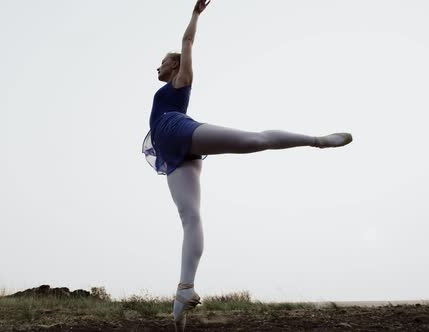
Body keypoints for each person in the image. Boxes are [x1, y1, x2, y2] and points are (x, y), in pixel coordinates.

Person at [142, 0, 353, 330]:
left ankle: (317, 140)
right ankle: (184, 292)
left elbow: (187, 43)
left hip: (176, 129)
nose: (156, 68)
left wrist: (195, 14)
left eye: (160, 63)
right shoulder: (166, 88)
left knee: (255, 141)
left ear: (174, 66)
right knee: (191, 217)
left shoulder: (181, 80)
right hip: (170, 151)